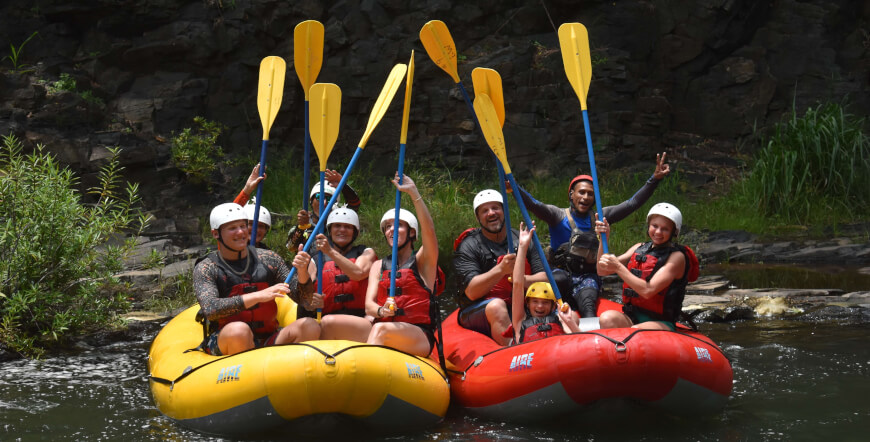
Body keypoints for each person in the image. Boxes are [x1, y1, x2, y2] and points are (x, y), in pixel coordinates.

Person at [514, 153, 671, 318]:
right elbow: (532, 203)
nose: (585, 197)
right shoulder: (556, 215)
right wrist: (514, 187)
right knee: (559, 279)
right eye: (581, 193)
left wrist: (654, 179)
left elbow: (631, 204)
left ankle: (589, 328)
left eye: (590, 194)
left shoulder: (601, 217)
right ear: (571, 195)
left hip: (587, 277)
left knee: (588, 303)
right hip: (560, 275)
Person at [193, 203, 321, 356]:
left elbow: (305, 301)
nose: (241, 232)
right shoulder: (207, 267)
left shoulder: (269, 259)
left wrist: (302, 273)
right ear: (216, 234)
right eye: (232, 228)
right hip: (228, 338)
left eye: (243, 226)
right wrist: (258, 296)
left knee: (310, 326)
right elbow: (211, 309)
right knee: (239, 331)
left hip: (267, 337)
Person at [453, 189, 547, 346]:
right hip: (482, 310)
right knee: (497, 306)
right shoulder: (469, 246)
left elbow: (546, 278)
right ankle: (512, 352)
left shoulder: (523, 239)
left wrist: (519, 279)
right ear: (478, 218)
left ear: (505, 212)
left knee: (547, 299)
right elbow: (471, 292)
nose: (491, 213)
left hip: (521, 305)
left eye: (495, 208)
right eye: (485, 211)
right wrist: (501, 270)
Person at [365, 173, 443, 356]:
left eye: (398, 225)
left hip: (418, 335)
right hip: (386, 326)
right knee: (330, 322)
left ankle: (364, 377)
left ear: (412, 233)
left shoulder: (423, 261)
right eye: (388, 227)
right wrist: (381, 310)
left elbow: (430, 231)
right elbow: (369, 305)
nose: (392, 229)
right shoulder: (378, 265)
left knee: (379, 330)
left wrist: (413, 193)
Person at [596, 203, 699, 330]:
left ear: (674, 232)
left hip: (661, 322)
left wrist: (618, 267)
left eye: (665, 229)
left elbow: (648, 291)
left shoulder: (677, 257)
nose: (658, 232)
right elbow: (602, 270)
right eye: (655, 226)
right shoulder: (639, 247)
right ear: (649, 225)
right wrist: (603, 239)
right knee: (607, 318)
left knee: (635, 332)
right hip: (632, 317)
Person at [288, 205, 378, 341]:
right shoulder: (316, 259)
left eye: (347, 227)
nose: (342, 230)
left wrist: (330, 251)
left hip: (358, 320)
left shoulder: (366, 253)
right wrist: (311, 302)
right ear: (330, 230)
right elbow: (305, 293)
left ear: (355, 232)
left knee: (329, 322)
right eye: (337, 226)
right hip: (325, 320)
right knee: (324, 321)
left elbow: (358, 273)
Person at [509, 222, 579, 344]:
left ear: (553, 307)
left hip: (556, 359)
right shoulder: (520, 322)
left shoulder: (560, 323)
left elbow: (581, 342)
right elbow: (517, 284)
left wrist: (570, 322)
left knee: (573, 316)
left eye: (545, 303)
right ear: (528, 304)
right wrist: (522, 247)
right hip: (532, 360)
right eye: (535, 301)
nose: (540, 306)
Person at [286, 169, 361, 252]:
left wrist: (343, 185)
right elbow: (290, 247)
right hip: (310, 263)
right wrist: (301, 228)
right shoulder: (305, 221)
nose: (324, 203)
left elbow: (354, 204)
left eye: (329, 199)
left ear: (335, 203)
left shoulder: (339, 219)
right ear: (311, 201)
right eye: (319, 197)